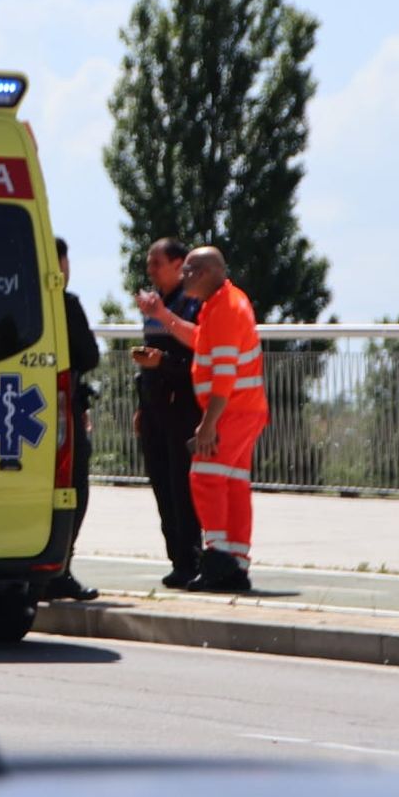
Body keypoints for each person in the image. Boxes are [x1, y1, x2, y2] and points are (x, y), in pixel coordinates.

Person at [168, 246, 268, 592]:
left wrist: (208, 424)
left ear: (208, 272)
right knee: (233, 484)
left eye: (189, 271)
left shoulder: (224, 308)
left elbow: (224, 374)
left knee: (205, 477)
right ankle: (235, 564)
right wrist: (164, 317)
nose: (183, 277)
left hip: (232, 410)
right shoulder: (223, 303)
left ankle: (219, 558)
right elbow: (202, 342)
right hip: (245, 408)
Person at [131, 238, 204, 589]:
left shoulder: (192, 306)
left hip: (182, 411)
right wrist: (142, 406)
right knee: (161, 486)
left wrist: (165, 363)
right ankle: (176, 558)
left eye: (157, 263)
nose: (151, 269)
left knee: (182, 488)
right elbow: (151, 361)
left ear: (179, 265)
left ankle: (191, 560)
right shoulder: (156, 308)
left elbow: (199, 359)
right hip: (155, 409)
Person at [49, 236, 101, 602]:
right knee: (72, 486)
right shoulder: (64, 305)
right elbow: (88, 355)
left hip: (53, 408)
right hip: (58, 408)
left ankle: (55, 567)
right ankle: (60, 568)